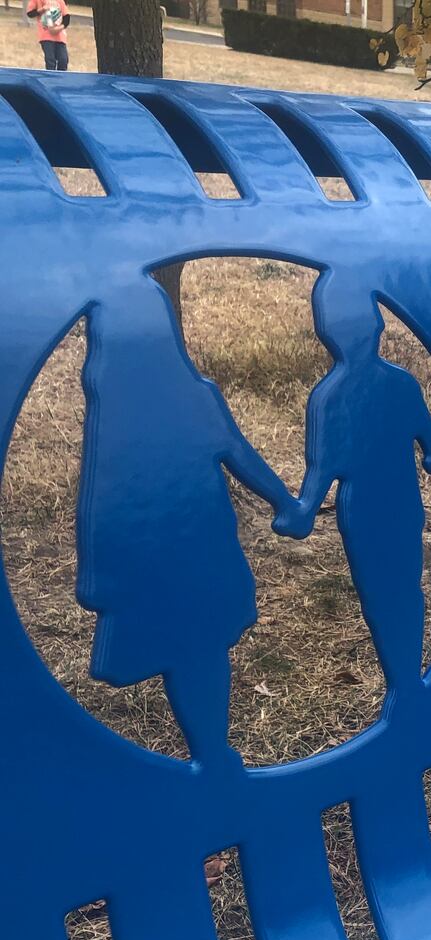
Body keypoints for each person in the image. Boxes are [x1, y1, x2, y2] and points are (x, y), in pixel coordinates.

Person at [78, 273, 296, 771]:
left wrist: (286, 501)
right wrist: (285, 501)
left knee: (191, 646)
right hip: (195, 546)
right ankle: (211, 749)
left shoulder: (121, 413)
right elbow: (241, 456)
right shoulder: (179, 400)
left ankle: (209, 751)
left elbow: (101, 497)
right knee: (201, 646)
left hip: (171, 550)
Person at [276, 277, 431, 700]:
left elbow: (321, 471)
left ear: (327, 331)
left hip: (366, 509)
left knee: (381, 594)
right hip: (403, 500)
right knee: (407, 587)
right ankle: (409, 676)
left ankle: (403, 681)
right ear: (377, 326)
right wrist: (428, 457)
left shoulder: (330, 398)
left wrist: (301, 512)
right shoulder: (400, 383)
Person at [24, 0, 68, 70]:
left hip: (60, 36)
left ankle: (60, 79)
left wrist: (59, 28)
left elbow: (66, 18)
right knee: (50, 60)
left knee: (63, 60)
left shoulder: (60, 1)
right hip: (46, 36)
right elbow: (30, 13)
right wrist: (42, 9)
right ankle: (50, 79)